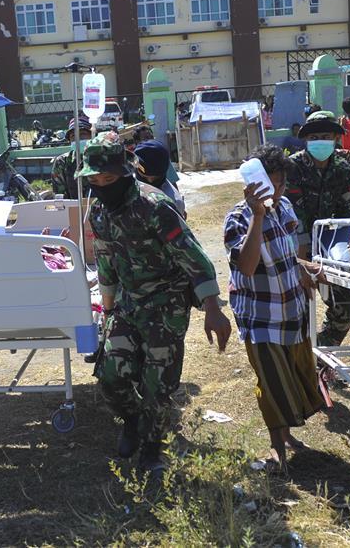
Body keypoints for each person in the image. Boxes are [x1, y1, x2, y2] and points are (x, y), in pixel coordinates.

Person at [78, 135, 232, 474]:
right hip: (127, 302)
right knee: (110, 374)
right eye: (95, 180)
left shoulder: (155, 207)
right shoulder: (99, 211)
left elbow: (194, 256)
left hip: (166, 303)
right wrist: (106, 313)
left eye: (109, 179)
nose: (102, 186)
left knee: (157, 385)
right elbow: (106, 262)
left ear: (125, 173)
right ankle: (132, 420)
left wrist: (212, 308)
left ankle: (152, 447)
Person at [225, 144, 325, 469]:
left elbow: (285, 252)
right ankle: (276, 448)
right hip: (261, 317)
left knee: (294, 378)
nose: (277, 190)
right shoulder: (239, 218)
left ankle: (287, 437)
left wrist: (303, 268)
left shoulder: (284, 210)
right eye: (270, 183)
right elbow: (249, 265)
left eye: (281, 183)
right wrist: (257, 214)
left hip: (292, 311)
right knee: (272, 383)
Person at [286, 110, 350, 347]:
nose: (319, 141)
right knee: (298, 310)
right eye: (314, 137)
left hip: (329, 243)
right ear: (306, 139)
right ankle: (300, 364)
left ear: (336, 138)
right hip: (296, 245)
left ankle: (323, 358)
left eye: (325, 136)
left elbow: (345, 210)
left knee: (345, 306)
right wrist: (302, 254)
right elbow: (293, 212)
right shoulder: (293, 166)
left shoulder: (341, 167)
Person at [134, 140, 186, 218]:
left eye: (156, 178)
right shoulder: (126, 185)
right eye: (144, 177)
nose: (150, 181)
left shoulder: (174, 203)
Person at [50, 115, 93, 199]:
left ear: (92, 136)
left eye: (83, 134)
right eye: (73, 136)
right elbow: (59, 195)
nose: (78, 138)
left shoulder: (102, 157)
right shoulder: (62, 162)